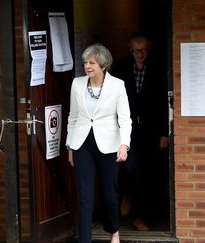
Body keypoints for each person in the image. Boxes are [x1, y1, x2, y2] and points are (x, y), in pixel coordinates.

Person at [66, 43, 132, 243]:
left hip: (109, 145)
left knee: (109, 193)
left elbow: (125, 118)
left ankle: (114, 231)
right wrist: (70, 146)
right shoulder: (77, 84)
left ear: (103, 65)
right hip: (82, 144)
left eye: (92, 63)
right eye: (86, 62)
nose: (88, 66)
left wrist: (124, 144)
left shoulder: (117, 85)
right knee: (85, 197)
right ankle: (85, 240)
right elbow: (73, 117)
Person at [111, 32, 169, 231]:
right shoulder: (119, 68)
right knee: (129, 167)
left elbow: (164, 100)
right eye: (136, 51)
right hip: (127, 128)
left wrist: (164, 131)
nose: (140, 54)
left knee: (148, 173)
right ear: (129, 48)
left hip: (151, 129)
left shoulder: (160, 67)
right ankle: (127, 194)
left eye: (143, 50)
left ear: (149, 47)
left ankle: (141, 217)